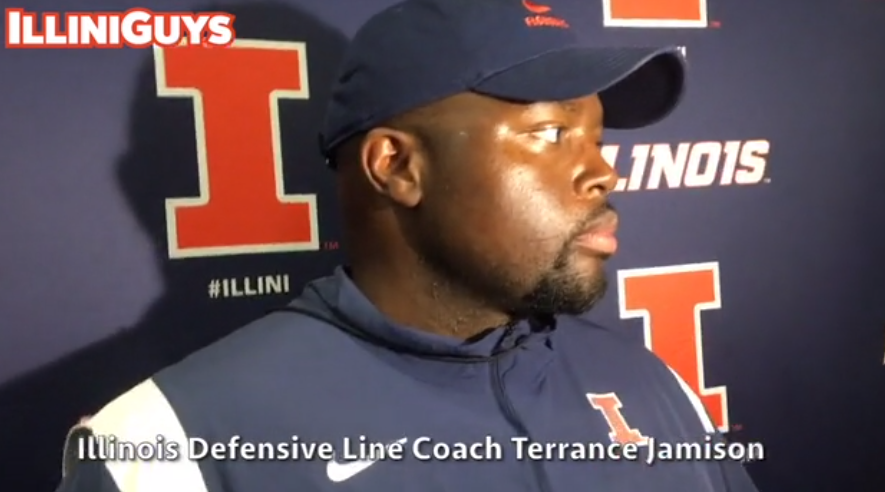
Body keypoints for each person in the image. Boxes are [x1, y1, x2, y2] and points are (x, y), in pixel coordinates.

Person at [57, 0, 760, 490]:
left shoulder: (653, 386)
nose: (603, 170)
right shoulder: (171, 445)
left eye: (597, 139)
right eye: (548, 134)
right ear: (395, 166)